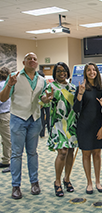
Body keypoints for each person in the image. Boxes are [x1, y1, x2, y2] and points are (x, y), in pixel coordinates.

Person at [0, 52, 46, 199]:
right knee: (16, 154)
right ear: (24, 62)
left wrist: (46, 99)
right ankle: (16, 186)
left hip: (35, 119)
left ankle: (34, 183)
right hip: (18, 119)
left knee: (33, 153)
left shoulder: (42, 80)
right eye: (29, 59)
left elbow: (43, 99)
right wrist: (9, 84)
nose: (32, 60)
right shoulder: (14, 76)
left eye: (35, 59)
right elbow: (3, 97)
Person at [40, 62, 77, 197]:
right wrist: (47, 98)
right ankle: (57, 182)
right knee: (62, 152)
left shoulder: (73, 88)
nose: (62, 73)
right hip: (58, 124)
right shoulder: (50, 87)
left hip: (71, 124)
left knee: (70, 151)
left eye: (64, 71)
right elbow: (43, 99)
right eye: (59, 71)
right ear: (55, 73)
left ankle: (67, 179)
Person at [73, 62, 102, 194]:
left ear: (97, 72)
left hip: (98, 126)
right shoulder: (81, 88)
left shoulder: (101, 89)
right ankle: (89, 182)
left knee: (97, 154)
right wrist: (80, 94)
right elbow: (76, 109)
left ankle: (98, 181)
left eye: (94, 70)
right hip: (84, 126)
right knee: (86, 154)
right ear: (85, 73)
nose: (92, 72)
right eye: (89, 70)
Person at [0, 67, 12, 173]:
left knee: (8, 140)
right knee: (6, 140)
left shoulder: (2, 85)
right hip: (5, 115)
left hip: (3, 115)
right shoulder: (8, 85)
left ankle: (11, 163)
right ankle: (5, 160)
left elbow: (1, 100)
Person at [37, 70, 50, 138]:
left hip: (42, 102)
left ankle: (42, 134)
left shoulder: (40, 83)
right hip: (46, 102)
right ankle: (49, 132)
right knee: (48, 117)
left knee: (42, 118)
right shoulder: (46, 82)